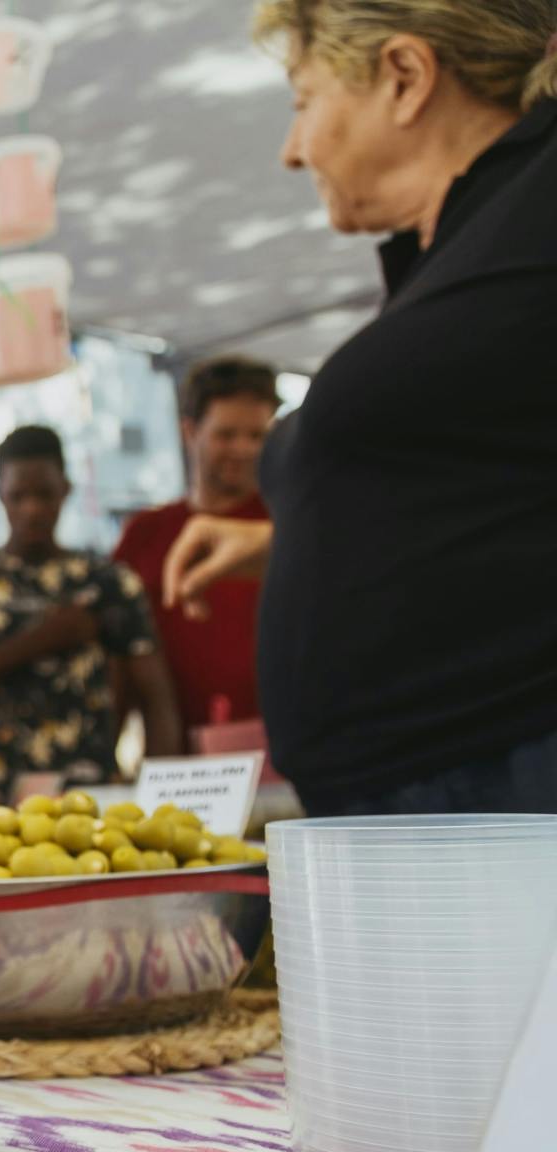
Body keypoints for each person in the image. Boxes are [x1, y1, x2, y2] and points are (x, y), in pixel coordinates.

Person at [166, 0, 557, 816]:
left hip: (505, 799)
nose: (290, 149)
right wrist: (298, 537)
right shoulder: (472, 247)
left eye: (304, 101)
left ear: (406, 77)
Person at [0, 426, 180, 795]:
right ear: (0, 494)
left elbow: (156, 697)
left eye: (44, 494)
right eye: (19, 496)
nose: (32, 509)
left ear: (65, 489)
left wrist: (159, 796)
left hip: (83, 795)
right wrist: (41, 641)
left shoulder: (107, 582)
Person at [112, 357, 281, 748]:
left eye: (257, 435)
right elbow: (119, 650)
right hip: (177, 753)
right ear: (190, 431)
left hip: (280, 746)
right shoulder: (145, 535)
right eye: (226, 434)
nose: (243, 449)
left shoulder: (288, 523)